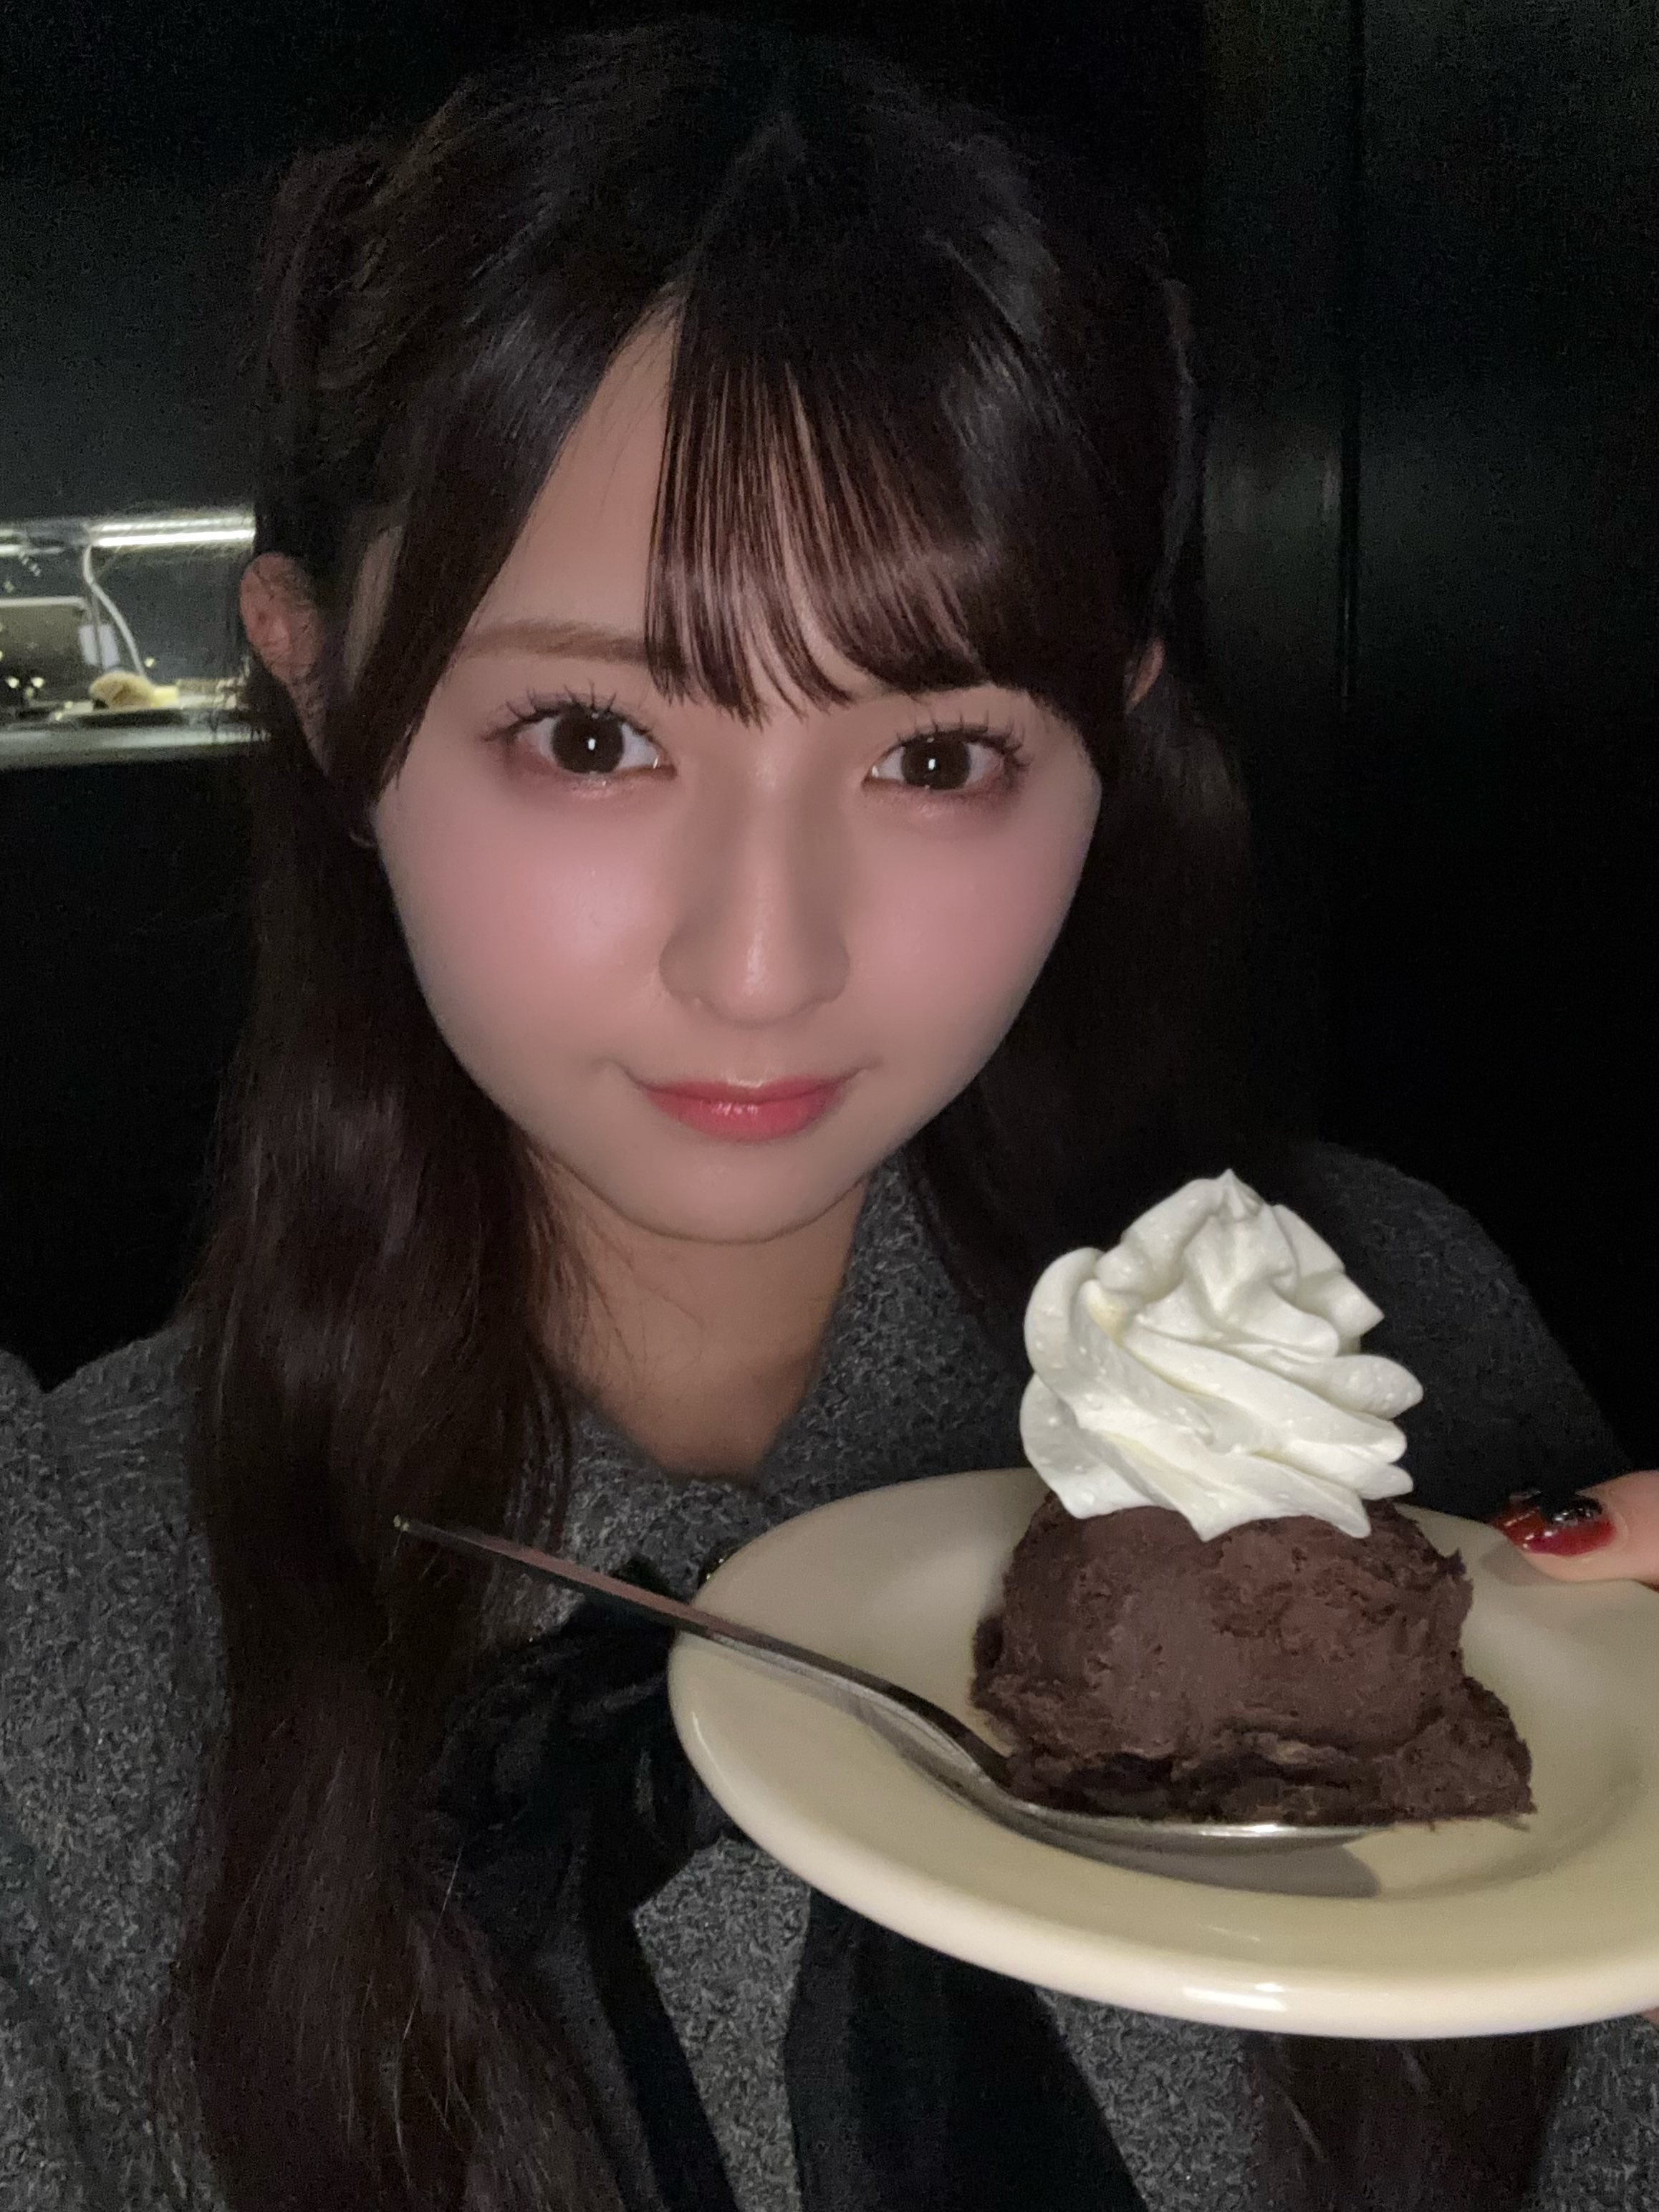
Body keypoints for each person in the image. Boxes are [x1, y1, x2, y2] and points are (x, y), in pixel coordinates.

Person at [0, 20, 1653, 2212]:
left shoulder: (1392, 1336)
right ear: (319, 685)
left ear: (1109, 732)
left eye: (935, 754)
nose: (764, 961)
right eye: (591, 738)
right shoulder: (57, 1607)